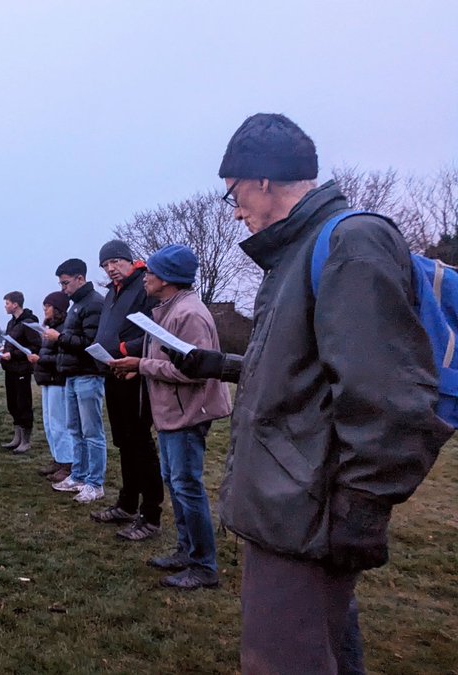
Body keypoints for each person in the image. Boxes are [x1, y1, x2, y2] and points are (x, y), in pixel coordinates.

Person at [167, 113, 451, 672]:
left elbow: (390, 396)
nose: (236, 210)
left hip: (307, 512)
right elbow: (300, 368)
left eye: (233, 195)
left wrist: (360, 512)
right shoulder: (297, 254)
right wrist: (219, 363)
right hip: (289, 506)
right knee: (326, 652)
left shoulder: (351, 242)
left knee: (285, 660)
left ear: (261, 180)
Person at [107, 245, 232, 590]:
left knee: (187, 486)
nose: (144, 277)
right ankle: (185, 550)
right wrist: (140, 371)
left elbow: (196, 370)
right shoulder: (168, 308)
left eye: (150, 273)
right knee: (176, 483)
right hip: (170, 412)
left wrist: (141, 365)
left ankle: (204, 565)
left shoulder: (189, 314)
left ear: (165, 278)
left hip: (187, 414)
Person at [92, 239, 165, 542]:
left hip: (135, 373)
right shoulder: (111, 292)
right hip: (112, 371)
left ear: (129, 260)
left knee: (139, 442)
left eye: (115, 263)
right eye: (106, 265)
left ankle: (151, 513)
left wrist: (126, 349)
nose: (111, 269)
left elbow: (157, 332)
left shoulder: (144, 286)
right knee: (123, 441)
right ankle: (127, 503)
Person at [48, 259, 109, 505]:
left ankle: (95, 483)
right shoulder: (77, 305)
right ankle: (79, 475)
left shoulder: (94, 303)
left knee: (92, 432)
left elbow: (90, 343)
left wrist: (59, 337)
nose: (63, 289)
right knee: (75, 429)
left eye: (65, 283)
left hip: (88, 375)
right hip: (73, 376)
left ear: (80, 278)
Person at [29, 291, 74, 482]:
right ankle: (58, 458)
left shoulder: (63, 328)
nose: (44, 310)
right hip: (47, 379)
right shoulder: (49, 329)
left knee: (59, 423)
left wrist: (41, 359)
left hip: (58, 380)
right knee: (49, 423)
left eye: (47, 306)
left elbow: (63, 357)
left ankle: (68, 463)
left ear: (57, 308)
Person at [0, 291, 41, 453]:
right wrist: (5, 350)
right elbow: (13, 342)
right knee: (13, 403)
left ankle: (26, 440)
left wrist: (13, 354)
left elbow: (35, 347)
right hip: (10, 369)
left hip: (22, 369)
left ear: (15, 304)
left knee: (23, 404)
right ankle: (17, 438)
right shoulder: (11, 323)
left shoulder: (29, 323)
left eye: (7, 303)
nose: (5, 306)